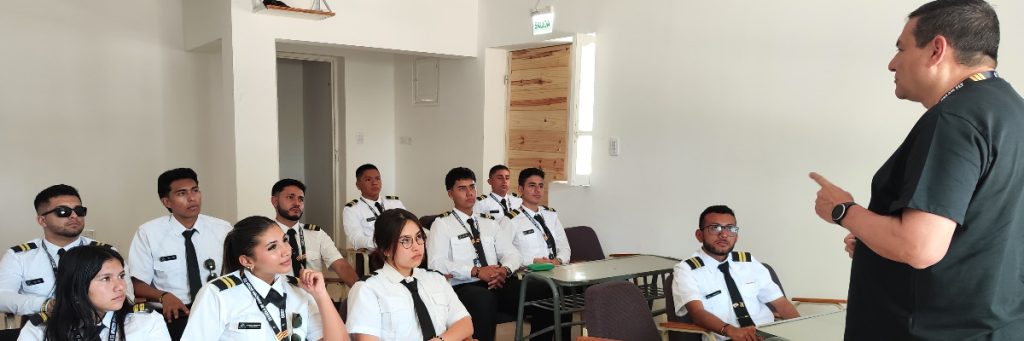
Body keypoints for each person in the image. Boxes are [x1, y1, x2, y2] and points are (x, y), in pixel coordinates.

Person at [810, 0, 1024, 339]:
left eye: (901, 48)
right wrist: (873, 239)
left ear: (937, 49)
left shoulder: (954, 119)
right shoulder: (1013, 112)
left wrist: (842, 211)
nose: (892, 64)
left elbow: (919, 247)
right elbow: (986, 235)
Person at [180, 216, 348, 341]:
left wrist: (321, 296)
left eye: (285, 241)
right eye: (272, 247)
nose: (286, 251)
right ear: (247, 260)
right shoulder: (218, 294)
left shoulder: (299, 290)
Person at [127, 168, 232, 340]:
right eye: (182, 193)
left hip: (218, 309)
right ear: (167, 202)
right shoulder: (148, 233)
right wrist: (163, 296)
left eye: (195, 191)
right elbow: (137, 283)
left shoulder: (223, 229)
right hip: (174, 314)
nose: (192, 198)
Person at [672, 205, 798, 341]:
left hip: (766, 335)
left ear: (736, 236)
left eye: (730, 229)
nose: (724, 235)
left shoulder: (748, 262)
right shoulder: (686, 270)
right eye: (715, 228)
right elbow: (697, 313)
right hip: (729, 338)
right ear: (699, 235)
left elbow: (781, 303)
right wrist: (731, 331)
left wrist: (801, 330)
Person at [347, 208, 473, 341]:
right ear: (385, 249)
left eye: (419, 237)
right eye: (405, 241)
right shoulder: (367, 289)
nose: (416, 246)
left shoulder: (436, 279)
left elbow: (465, 324)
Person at [0, 184, 116, 316]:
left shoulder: (105, 253)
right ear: (42, 220)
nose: (74, 216)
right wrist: (45, 304)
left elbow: (125, 295)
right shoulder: (20, 256)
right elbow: (2, 296)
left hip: (96, 328)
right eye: (63, 212)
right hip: (40, 330)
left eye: (79, 210)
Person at [18, 245, 170, 341]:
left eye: (121, 276)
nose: (120, 287)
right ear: (76, 286)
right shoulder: (41, 329)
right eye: (106, 279)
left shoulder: (145, 320)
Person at [271, 179, 358, 287]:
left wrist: (361, 293)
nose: (297, 203)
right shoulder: (264, 236)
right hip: (279, 299)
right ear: (275, 201)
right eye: (290, 197)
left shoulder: (316, 234)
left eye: (301, 199)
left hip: (313, 299)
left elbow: (341, 266)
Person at [505, 168, 570, 266]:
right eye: (532, 186)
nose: (537, 190)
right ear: (520, 189)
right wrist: (532, 261)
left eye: (541, 186)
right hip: (528, 274)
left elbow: (564, 247)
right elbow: (504, 253)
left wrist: (558, 260)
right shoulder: (510, 220)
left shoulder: (551, 215)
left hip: (555, 269)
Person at [342, 164, 406, 251]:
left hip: (403, 248)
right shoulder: (352, 209)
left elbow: (408, 225)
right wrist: (383, 242)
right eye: (368, 179)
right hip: (376, 254)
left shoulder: (395, 203)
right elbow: (356, 240)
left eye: (377, 178)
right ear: (358, 185)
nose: (374, 182)